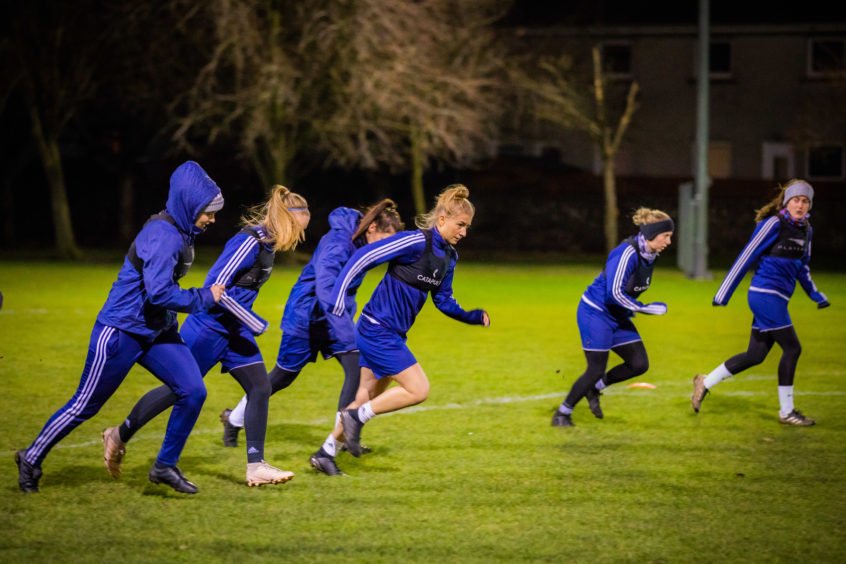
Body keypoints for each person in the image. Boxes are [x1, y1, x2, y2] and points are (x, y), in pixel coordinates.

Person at [15, 161, 226, 494]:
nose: (212, 219)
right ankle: (31, 456)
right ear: (189, 204)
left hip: (156, 330)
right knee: (85, 405)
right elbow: (159, 292)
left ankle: (164, 466)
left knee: (193, 390)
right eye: (208, 212)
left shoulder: (183, 231)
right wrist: (205, 297)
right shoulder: (164, 235)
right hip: (120, 331)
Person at [101, 185, 311, 487]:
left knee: (260, 388)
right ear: (285, 220)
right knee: (180, 390)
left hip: (234, 330)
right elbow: (215, 287)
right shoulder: (248, 241)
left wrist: (245, 322)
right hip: (208, 328)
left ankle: (256, 466)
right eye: (298, 230)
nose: (298, 238)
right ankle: (119, 434)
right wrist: (253, 320)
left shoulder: (268, 245)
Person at [308, 184, 490, 476]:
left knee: (364, 395)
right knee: (418, 389)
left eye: (467, 227)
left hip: (390, 332)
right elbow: (363, 257)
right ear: (442, 219)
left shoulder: (449, 258)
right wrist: (339, 296)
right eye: (460, 225)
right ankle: (356, 418)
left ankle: (326, 453)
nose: (464, 232)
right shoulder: (415, 241)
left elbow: (443, 300)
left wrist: (470, 316)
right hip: (377, 329)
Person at [219, 199, 404, 450]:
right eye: (385, 239)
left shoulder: (364, 244)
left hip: (335, 319)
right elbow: (326, 288)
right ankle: (233, 419)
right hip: (305, 318)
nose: (385, 248)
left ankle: (339, 441)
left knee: (356, 367)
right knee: (282, 377)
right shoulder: (338, 243)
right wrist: (347, 332)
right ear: (371, 228)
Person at [691, 179, 829, 425]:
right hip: (765, 294)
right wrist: (723, 293)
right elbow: (747, 256)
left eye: (805, 201)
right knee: (793, 348)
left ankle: (705, 381)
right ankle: (786, 412)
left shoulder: (806, 230)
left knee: (755, 355)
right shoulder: (774, 223)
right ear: (787, 202)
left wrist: (816, 295)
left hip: (778, 299)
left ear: (810, 205)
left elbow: (802, 268)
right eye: (796, 200)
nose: (800, 205)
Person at [551, 207, 674, 428]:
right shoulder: (626, 253)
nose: (669, 241)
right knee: (595, 368)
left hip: (617, 314)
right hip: (595, 312)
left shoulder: (650, 254)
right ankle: (562, 414)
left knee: (638, 364)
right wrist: (643, 308)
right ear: (651, 233)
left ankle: (595, 388)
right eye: (666, 236)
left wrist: (637, 307)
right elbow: (614, 293)